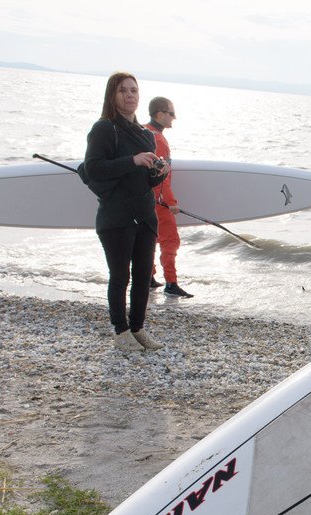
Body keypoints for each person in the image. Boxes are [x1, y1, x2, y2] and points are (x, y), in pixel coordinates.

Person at [82, 72, 168, 351]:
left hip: (144, 215)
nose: (130, 95)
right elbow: (94, 168)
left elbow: (146, 180)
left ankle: (138, 329)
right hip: (116, 216)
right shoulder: (105, 129)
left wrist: (159, 173)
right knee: (120, 277)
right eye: (123, 91)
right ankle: (121, 332)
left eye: (134, 90)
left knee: (143, 277)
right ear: (112, 95)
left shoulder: (145, 134)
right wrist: (133, 160)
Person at [145, 96, 192, 298]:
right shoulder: (159, 140)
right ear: (160, 114)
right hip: (159, 201)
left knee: (149, 239)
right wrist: (171, 203)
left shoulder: (143, 131)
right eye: (171, 113)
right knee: (170, 241)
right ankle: (171, 284)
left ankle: (148, 278)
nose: (174, 118)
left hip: (145, 199)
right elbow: (162, 178)